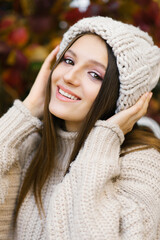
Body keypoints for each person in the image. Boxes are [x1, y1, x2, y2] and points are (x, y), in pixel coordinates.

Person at [0, 16, 160, 240]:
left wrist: (101, 141)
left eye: (94, 75)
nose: (69, 77)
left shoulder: (141, 164)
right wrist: (25, 111)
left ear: (122, 97)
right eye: (68, 61)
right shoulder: (31, 145)